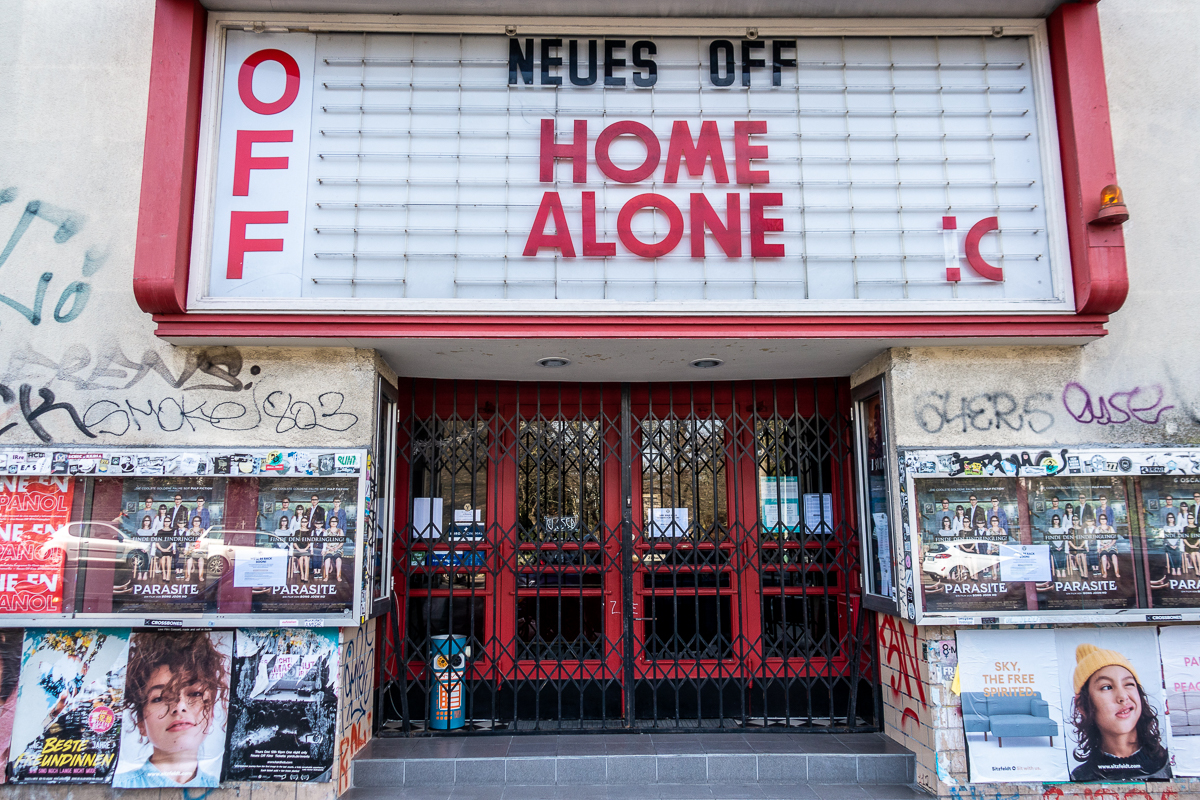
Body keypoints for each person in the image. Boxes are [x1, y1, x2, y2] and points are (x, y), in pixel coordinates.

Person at [116, 631, 229, 788]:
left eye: (195, 693)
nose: (179, 706)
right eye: (159, 698)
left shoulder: (224, 786)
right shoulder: (121, 784)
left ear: (211, 712)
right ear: (141, 722)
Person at [1068, 643, 1170, 781]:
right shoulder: (1080, 777)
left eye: (1129, 684)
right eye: (1106, 687)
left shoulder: (1170, 764)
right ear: (1082, 705)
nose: (1123, 697)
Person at [183, 516, 209, 583]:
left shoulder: (203, 531)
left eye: (198, 521)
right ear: (193, 522)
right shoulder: (189, 531)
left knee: (201, 560)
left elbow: (205, 542)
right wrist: (187, 549)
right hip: (191, 549)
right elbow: (187, 542)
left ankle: (200, 576)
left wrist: (199, 548)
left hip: (200, 550)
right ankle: (188, 576)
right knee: (189, 560)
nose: (196, 522)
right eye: (195, 521)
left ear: (200, 522)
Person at [322, 515, 345, 584]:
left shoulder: (340, 531)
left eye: (335, 521)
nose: (333, 523)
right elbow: (325, 542)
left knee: (338, 559)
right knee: (327, 559)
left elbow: (342, 542)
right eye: (332, 521)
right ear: (330, 523)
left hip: (337, 549)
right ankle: (326, 576)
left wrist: (336, 548)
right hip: (329, 548)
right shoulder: (326, 531)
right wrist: (330, 548)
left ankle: (338, 575)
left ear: (337, 523)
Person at [1048, 514, 1069, 578]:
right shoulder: (1050, 529)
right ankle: (1057, 571)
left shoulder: (1062, 529)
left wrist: (1061, 547)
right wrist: (1055, 547)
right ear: (1052, 520)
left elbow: (1064, 539)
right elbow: (1050, 540)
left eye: (1057, 519)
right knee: (1055, 555)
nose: (1056, 521)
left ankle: (1063, 570)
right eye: (1054, 519)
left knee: (1063, 555)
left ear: (1059, 520)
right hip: (1054, 547)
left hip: (1062, 547)